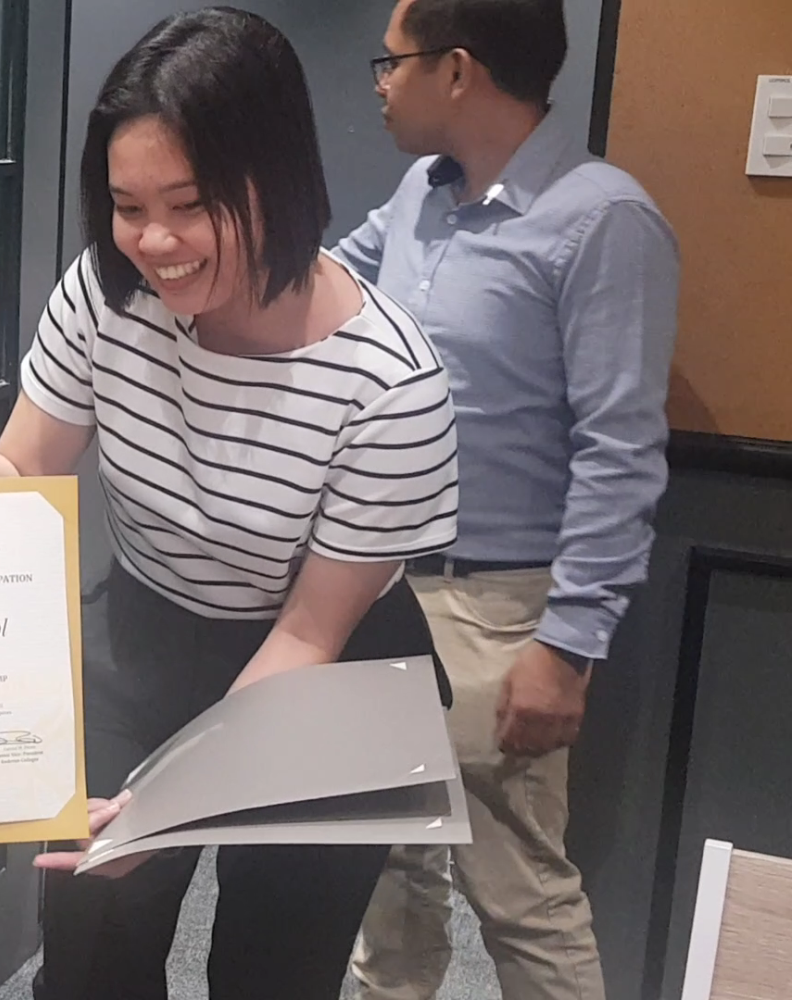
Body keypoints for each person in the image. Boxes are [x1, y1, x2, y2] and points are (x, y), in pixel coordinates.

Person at [0, 10, 460, 999]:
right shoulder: (106, 297)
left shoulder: (390, 384)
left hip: (322, 671)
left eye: (189, 205)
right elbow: (24, 478)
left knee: (275, 966)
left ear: (276, 179)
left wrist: (173, 808)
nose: (155, 242)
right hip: (148, 634)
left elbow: (308, 634)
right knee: (91, 933)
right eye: (126, 206)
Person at [336, 2, 679, 998]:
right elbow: (324, 287)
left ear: (457, 71)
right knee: (387, 880)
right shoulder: (419, 192)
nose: (379, 84)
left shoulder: (603, 221)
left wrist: (567, 648)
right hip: (382, 587)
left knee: (521, 898)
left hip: (499, 612)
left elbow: (621, 452)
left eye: (391, 63)